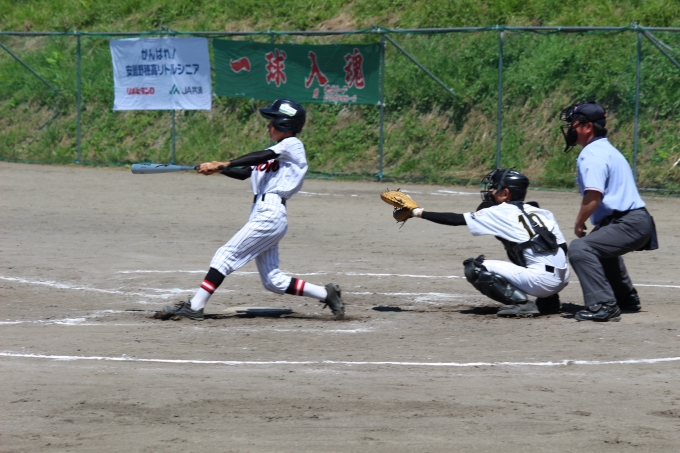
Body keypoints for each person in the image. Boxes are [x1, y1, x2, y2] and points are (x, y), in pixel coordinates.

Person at [163, 98, 345, 321]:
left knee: (225, 255)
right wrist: (218, 170)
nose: (268, 125)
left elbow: (262, 156)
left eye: (272, 120)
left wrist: (224, 163)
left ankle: (195, 306)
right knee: (273, 281)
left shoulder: (292, 144)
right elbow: (245, 172)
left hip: (270, 213)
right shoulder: (277, 151)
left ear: (285, 124)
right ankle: (326, 294)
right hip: (265, 212)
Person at [410, 169, 570, 317]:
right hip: (562, 279)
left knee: (475, 268)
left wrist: (418, 212)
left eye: (494, 187)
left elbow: (455, 219)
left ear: (505, 193)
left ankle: (522, 304)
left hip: (539, 283)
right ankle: (550, 301)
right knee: (526, 249)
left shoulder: (500, 212)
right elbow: (563, 248)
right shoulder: (542, 212)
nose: (491, 191)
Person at [559, 100, 657, 322]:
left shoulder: (592, 155)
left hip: (629, 222)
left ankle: (603, 305)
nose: (570, 129)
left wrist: (579, 221)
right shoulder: (605, 149)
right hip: (633, 220)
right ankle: (625, 297)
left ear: (587, 127)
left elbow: (593, 195)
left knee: (580, 249)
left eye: (574, 124)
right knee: (597, 244)